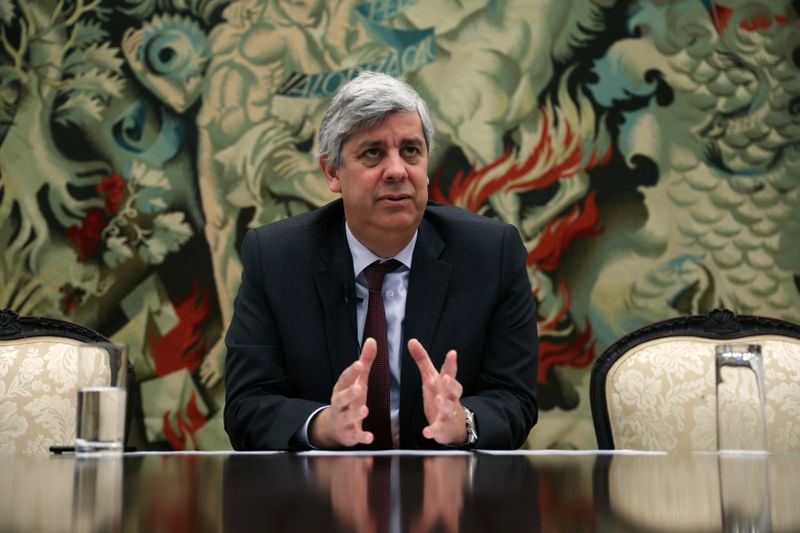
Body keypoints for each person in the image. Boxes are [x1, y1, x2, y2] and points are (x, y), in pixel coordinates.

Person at [224, 70, 538, 450]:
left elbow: (515, 399)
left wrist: (464, 423)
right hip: (319, 498)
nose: (396, 170)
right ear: (332, 171)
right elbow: (246, 405)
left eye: (410, 151)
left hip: (448, 496)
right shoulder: (275, 258)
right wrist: (322, 426)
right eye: (373, 153)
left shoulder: (491, 253)